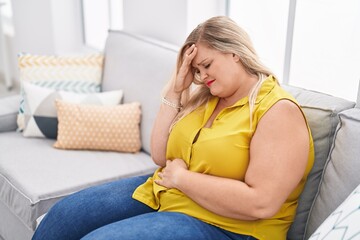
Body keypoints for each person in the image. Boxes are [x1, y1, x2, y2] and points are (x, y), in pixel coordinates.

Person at [32, 16, 314, 240]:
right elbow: (159, 156)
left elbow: (260, 204)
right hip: (167, 194)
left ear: (234, 53)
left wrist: (182, 179)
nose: (202, 77)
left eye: (206, 65)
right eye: (197, 72)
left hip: (229, 228)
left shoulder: (277, 111)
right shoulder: (207, 98)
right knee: (64, 215)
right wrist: (176, 88)